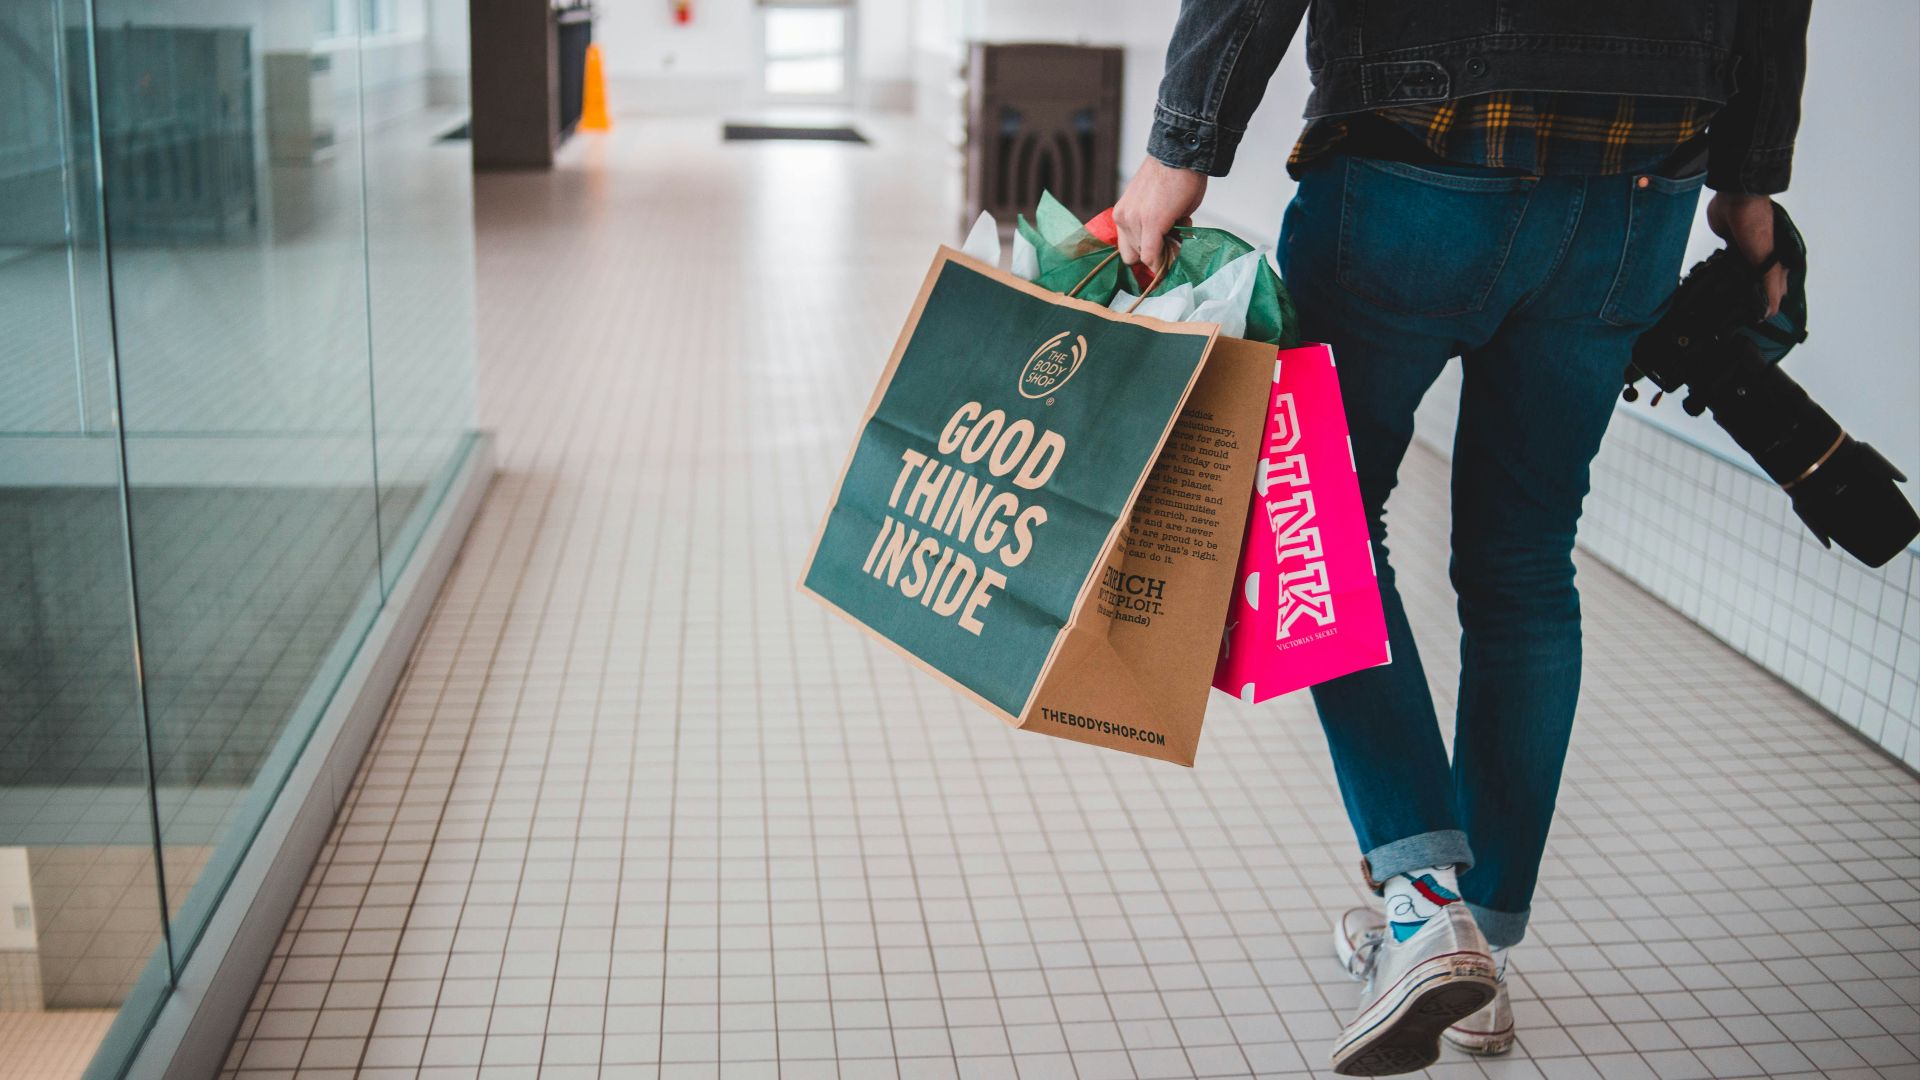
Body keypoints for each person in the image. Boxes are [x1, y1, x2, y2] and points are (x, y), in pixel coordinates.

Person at [1112, 2, 1811, 1074]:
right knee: (1525, 558)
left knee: (1327, 521)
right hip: (1641, 181)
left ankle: (1425, 910)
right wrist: (1750, 189)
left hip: (1415, 156)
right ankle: (1483, 947)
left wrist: (1180, 148)